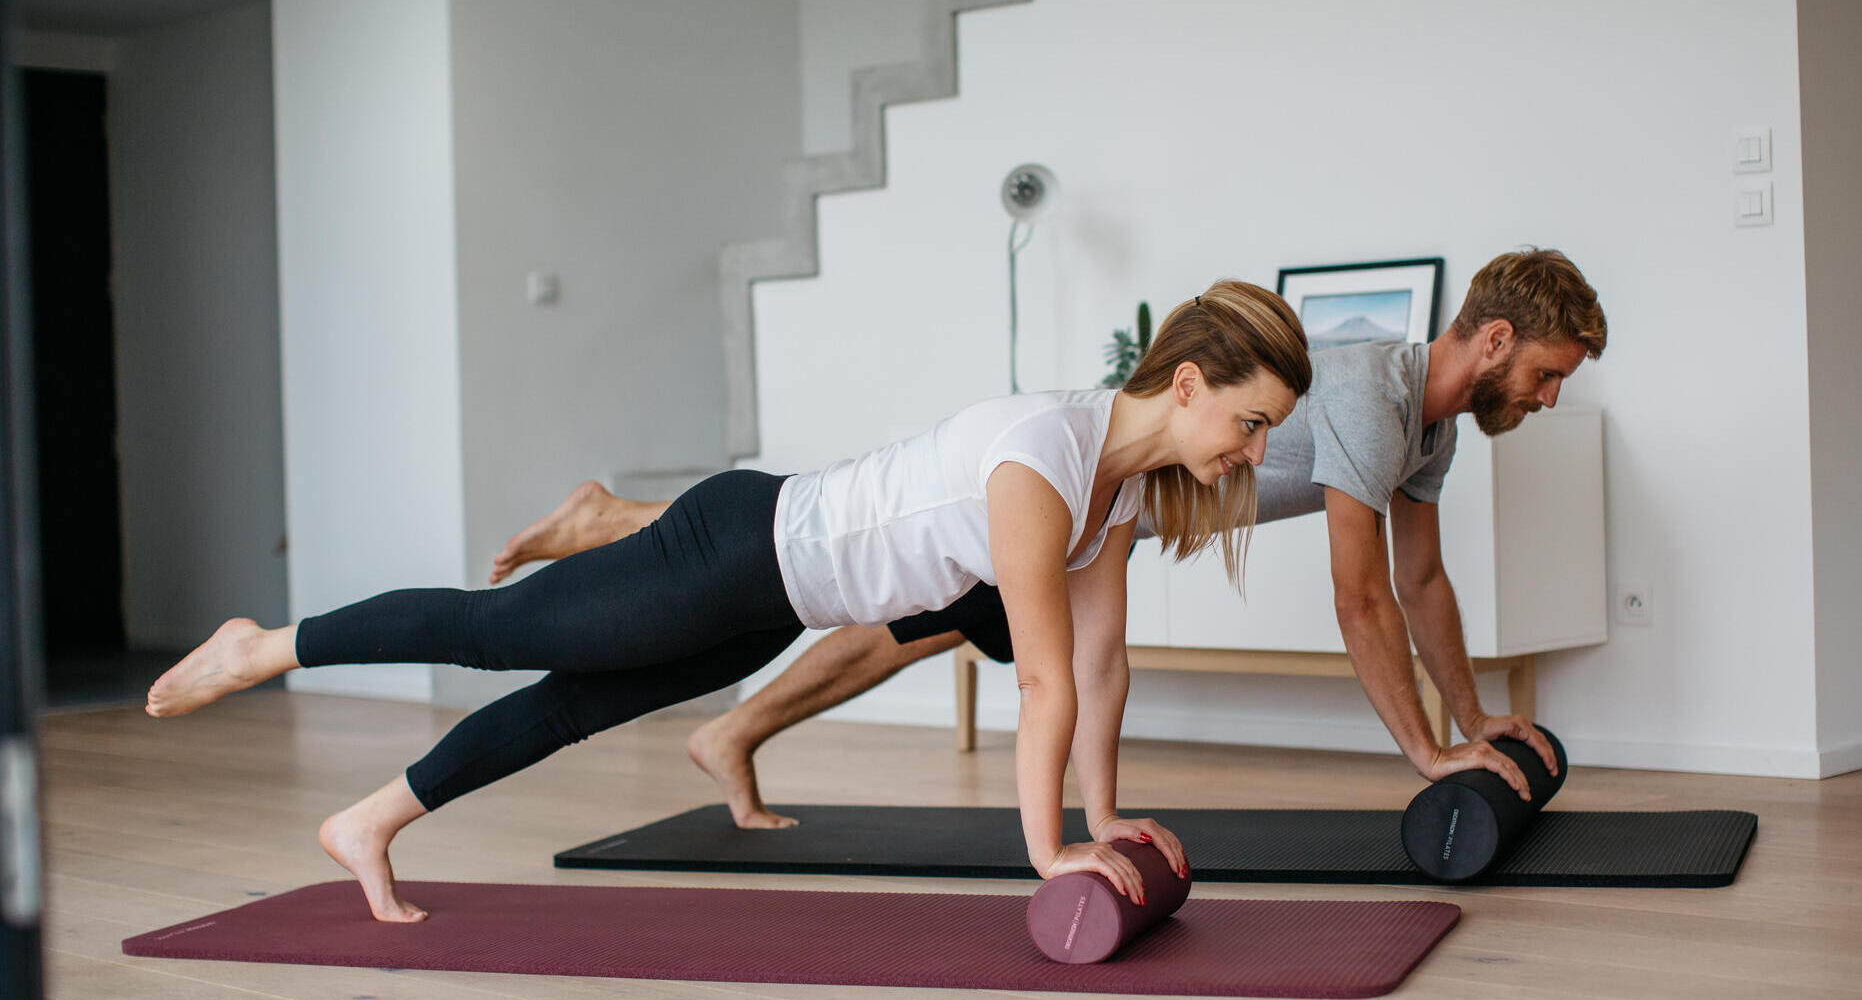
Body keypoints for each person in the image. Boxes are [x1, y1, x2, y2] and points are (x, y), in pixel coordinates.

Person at [145, 281, 1314, 924]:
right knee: (492, 630)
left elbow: (1102, 667)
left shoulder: (1115, 496)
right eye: (1251, 422)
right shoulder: (1041, 454)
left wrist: (1103, 817)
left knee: (571, 710)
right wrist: (1047, 849)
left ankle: (370, 822)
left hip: (776, 599)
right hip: (735, 546)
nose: (1254, 452)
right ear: (1189, 381)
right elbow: (1046, 674)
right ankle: (266, 642)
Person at [494, 247, 1608, 820]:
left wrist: (1474, 722)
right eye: (1548, 373)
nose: (1549, 396)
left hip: (1113, 517)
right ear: (1496, 336)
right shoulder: (1373, 395)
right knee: (881, 582)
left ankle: (712, 693)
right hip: (1082, 485)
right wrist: (1424, 753)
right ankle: (642, 559)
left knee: (913, 610)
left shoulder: (1433, 428)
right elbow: (1360, 597)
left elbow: (1422, 583)